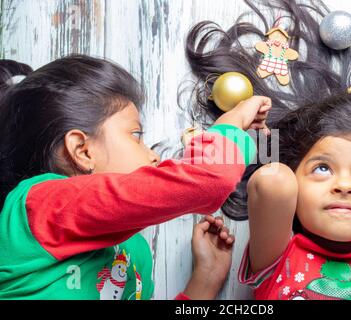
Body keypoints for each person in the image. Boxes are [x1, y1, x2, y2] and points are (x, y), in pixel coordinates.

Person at [183, 0, 351, 299]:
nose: (345, 186)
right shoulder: (279, 256)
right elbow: (272, 180)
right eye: (322, 168)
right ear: (294, 190)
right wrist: (268, 135)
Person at [0, 55, 271, 300]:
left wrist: (206, 280)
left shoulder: (134, 252)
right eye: (136, 136)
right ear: (83, 151)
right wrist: (230, 125)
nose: (153, 155)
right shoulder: (42, 204)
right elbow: (211, 179)